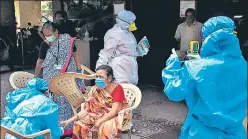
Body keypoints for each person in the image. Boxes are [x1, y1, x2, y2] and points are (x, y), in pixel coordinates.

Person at [162, 16, 247, 139]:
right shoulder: (243, 65)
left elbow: (174, 92)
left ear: (209, 39)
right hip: (235, 133)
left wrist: (172, 65)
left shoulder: (195, 68)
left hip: (201, 133)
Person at [34, 21, 83, 136]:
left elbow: (75, 55)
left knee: (68, 103)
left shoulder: (67, 41)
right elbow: (39, 62)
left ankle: (68, 130)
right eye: (45, 35)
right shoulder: (45, 44)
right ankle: (54, 131)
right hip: (51, 81)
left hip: (67, 79)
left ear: (56, 31)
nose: (48, 37)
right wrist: (35, 79)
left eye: (49, 34)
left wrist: (79, 70)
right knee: (53, 104)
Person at [60, 65, 131, 139]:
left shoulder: (118, 89)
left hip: (116, 115)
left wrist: (99, 122)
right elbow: (87, 110)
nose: (98, 79)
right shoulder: (95, 89)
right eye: (97, 76)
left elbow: (114, 112)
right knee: (79, 124)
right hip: (99, 113)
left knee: (105, 127)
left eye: (101, 77)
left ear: (109, 78)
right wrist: (69, 121)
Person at [95, 10, 139, 85]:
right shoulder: (114, 33)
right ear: (124, 21)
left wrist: (139, 51)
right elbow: (106, 53)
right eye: (132, 22)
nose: (133, 24)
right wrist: (99, 70)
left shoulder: (129, 33)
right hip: (119, 66)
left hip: (130, 65)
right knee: (120, 88)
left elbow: (130, 49)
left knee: (131, 89)